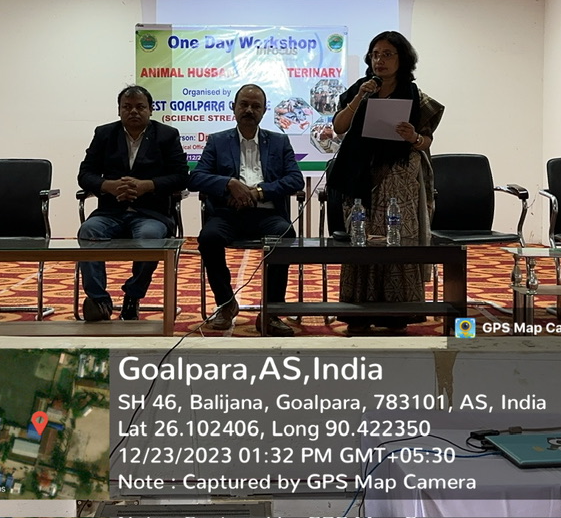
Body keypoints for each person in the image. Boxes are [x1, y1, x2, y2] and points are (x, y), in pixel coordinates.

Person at [330, 30, 444, 334]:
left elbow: (426, 141)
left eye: (387, 54)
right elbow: (339, 127)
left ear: (402, 59)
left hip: (399, 180)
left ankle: (396, 313)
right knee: (362, 240)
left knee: (397, 241)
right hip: (360, 177)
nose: (379, 60)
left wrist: (414, 137)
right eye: (375, 54)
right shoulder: (360, 89)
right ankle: (357, 312)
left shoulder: (416, 96)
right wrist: (359, 97)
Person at [190, 84, 305, 336]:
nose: (249, 110)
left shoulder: (279, 141)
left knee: (285, 234)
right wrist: (230, 185)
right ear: (233, 107)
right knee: (208, 238)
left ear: (264, 111)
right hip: (227, 215)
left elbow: (295, 180)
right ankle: (226, 303)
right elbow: (196, 178)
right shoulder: (218, 141)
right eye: (244, 105)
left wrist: (258, 192)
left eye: (255, 106)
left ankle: (271, 311)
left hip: (267, 214)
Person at [77, 86, 189, 321]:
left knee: (150, 237)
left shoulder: (167, 135)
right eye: (127, 107)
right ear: (119, 111)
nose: (134, 112)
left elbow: (181, 177)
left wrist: (147, 185)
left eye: (140, 107)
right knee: (88, 231)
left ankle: (133, 295)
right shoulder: (104, 134)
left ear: (151, 110)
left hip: (151, 213)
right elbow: (85, 175)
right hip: (110, 211)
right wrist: (108, 185)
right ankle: (99, 301)